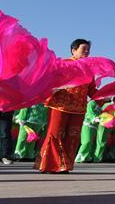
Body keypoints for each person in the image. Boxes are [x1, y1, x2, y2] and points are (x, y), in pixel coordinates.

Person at [35, 39, 95, 173]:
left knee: (72, 136)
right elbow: (49, 81)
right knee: (56, 134)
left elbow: (92, 90)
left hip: (78, 108)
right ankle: (50, 164)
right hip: (59, 105)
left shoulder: (89, 69)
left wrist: (104, 98)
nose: (87, 52)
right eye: (83, 49)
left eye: (88, 50)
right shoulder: (63, 64)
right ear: (73, 50)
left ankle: (64, 165)